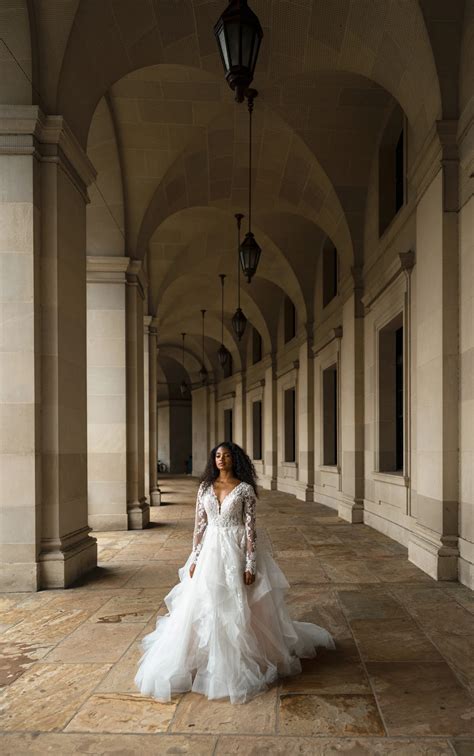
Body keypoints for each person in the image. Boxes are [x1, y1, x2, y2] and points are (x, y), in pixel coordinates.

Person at [134, 442, 335, 704]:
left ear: (235, 459)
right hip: (210, 553)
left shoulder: (244, 490)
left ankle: (240, 658)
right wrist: (194, 557)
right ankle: (202, 659)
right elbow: (199, 526)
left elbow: (251, 529)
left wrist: (250, 563)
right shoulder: (205, 487)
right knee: (204, 604)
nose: (221, 459)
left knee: (237, 607)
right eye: (217, 455)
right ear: (213, 460)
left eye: (227, 455)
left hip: (235, 550)